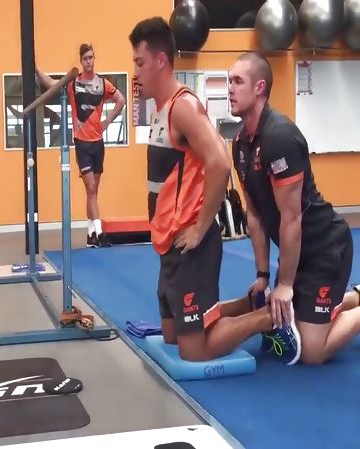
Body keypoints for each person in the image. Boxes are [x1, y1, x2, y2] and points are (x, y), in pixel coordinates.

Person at [128, 16, 301, 363]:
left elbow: (220, 163)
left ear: (160, 61)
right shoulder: (160, 110)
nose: (136, 72)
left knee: (194, 350)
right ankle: (250, 304)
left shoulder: (183, 107)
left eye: (140, 63)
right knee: (173, 336)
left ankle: (271, 318)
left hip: (192, 244)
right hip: (170, 243)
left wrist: (200, 228)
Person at [229, 51, 360, 365]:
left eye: (237, 81)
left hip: (325, 249)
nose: (229, 89)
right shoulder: (241, 144)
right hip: (297, 252)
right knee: (287, 325)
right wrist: (263, 275)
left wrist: (285, 284)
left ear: (259, 87)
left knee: (311, 351)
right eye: (229, 81)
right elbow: (255, 215)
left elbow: (291, 217)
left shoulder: (280, 137)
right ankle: (352, 297)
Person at [36, 43, 126, 248]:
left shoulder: (102, 84)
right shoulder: (73, 84)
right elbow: (50, 83)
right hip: (82, 143)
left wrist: (107, 122)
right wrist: (36, 68)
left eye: (91, 57)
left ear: (94, 59)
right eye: (85, 58)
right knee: (91, 187)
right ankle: (100, 234)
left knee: (92, 192)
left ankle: (90, 234)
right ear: (81, 61)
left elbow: (121, 100)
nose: (89, 61)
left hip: (98, 143)